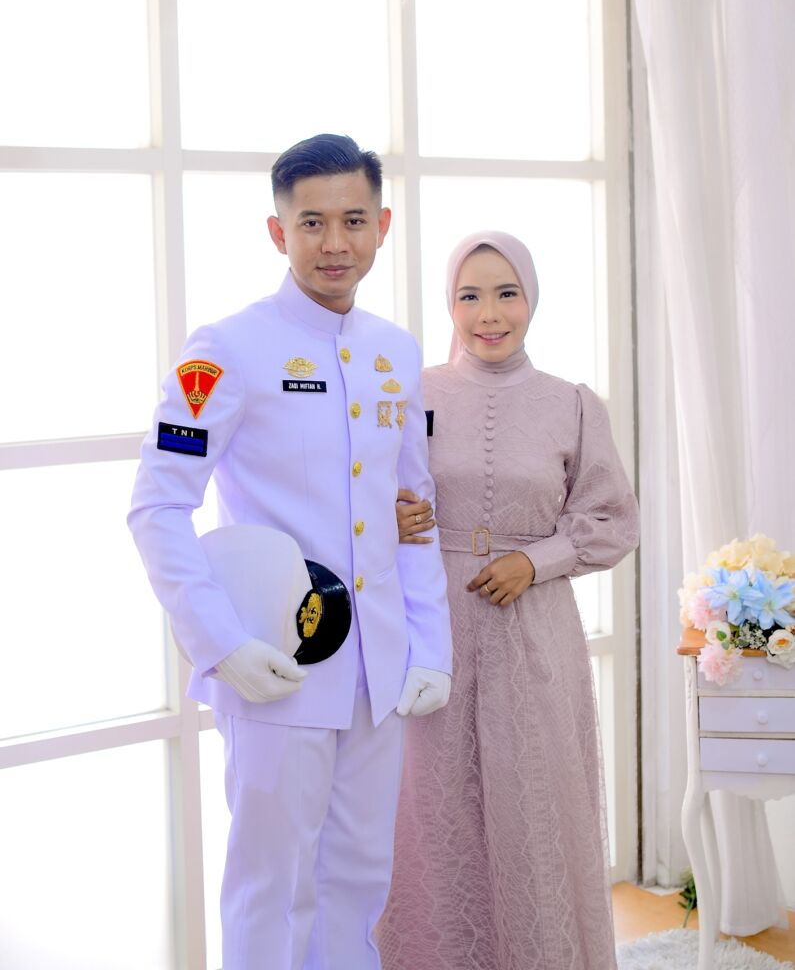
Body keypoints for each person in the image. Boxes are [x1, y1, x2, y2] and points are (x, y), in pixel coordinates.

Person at [127, 134, 452, 970]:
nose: (334, 242)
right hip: (275, 661)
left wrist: (430, 645)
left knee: (358, 880)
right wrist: (220, 643)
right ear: (278, 232)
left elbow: (413, 513)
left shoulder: (395, 351)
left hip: (378, 669)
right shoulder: (224, 349)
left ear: (382, 225)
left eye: (353, 220)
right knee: (270, 888)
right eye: (311, 223)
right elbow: (157, 505)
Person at [379, 231, 640, 970]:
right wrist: (388, 518)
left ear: (531, 299)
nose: (488, 314)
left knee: (535, 807)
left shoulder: (573, 404)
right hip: (433, 627)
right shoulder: (410, 394)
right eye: (469, 296)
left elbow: (613, 520)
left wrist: (536, 560)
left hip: (534, 632)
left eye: (505, 294)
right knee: (430, 813)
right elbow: (362, 493)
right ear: (449, 304)